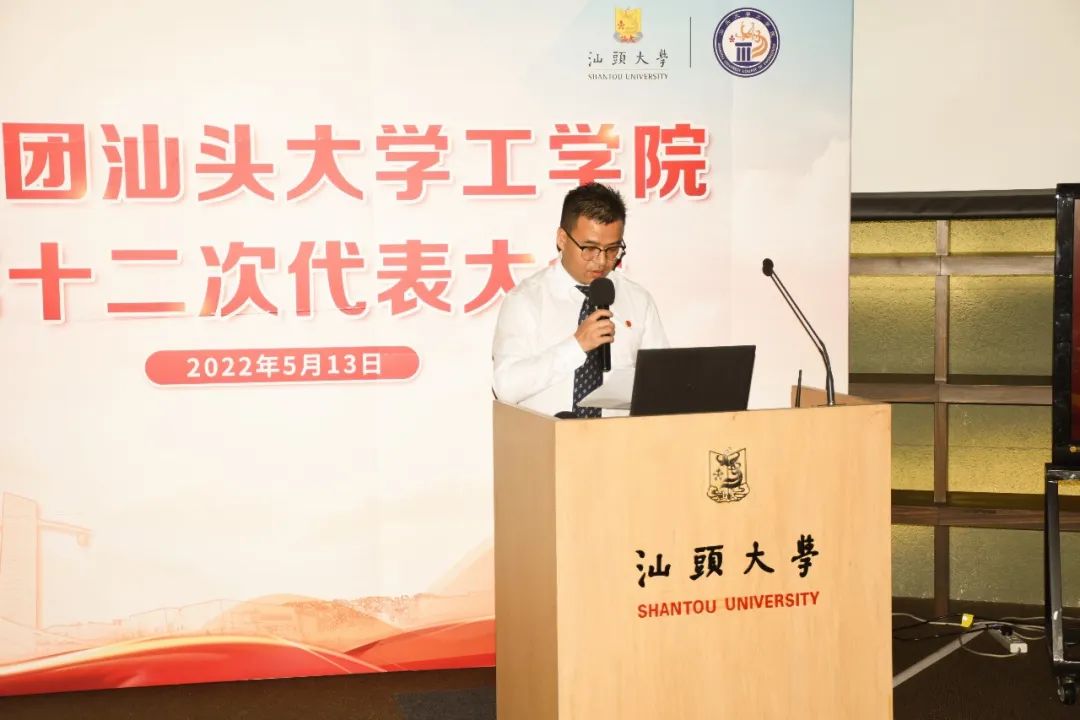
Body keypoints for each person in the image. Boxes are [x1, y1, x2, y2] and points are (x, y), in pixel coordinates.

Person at [492, 182, 668, 417]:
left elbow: (662, 383)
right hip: (549, 437)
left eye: (612, 249)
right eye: (590, 248)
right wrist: (576, 345)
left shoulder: (638, 300)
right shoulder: (526, 300)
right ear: (562, 239)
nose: (601, 261)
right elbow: (505, 388)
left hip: (620, 438)